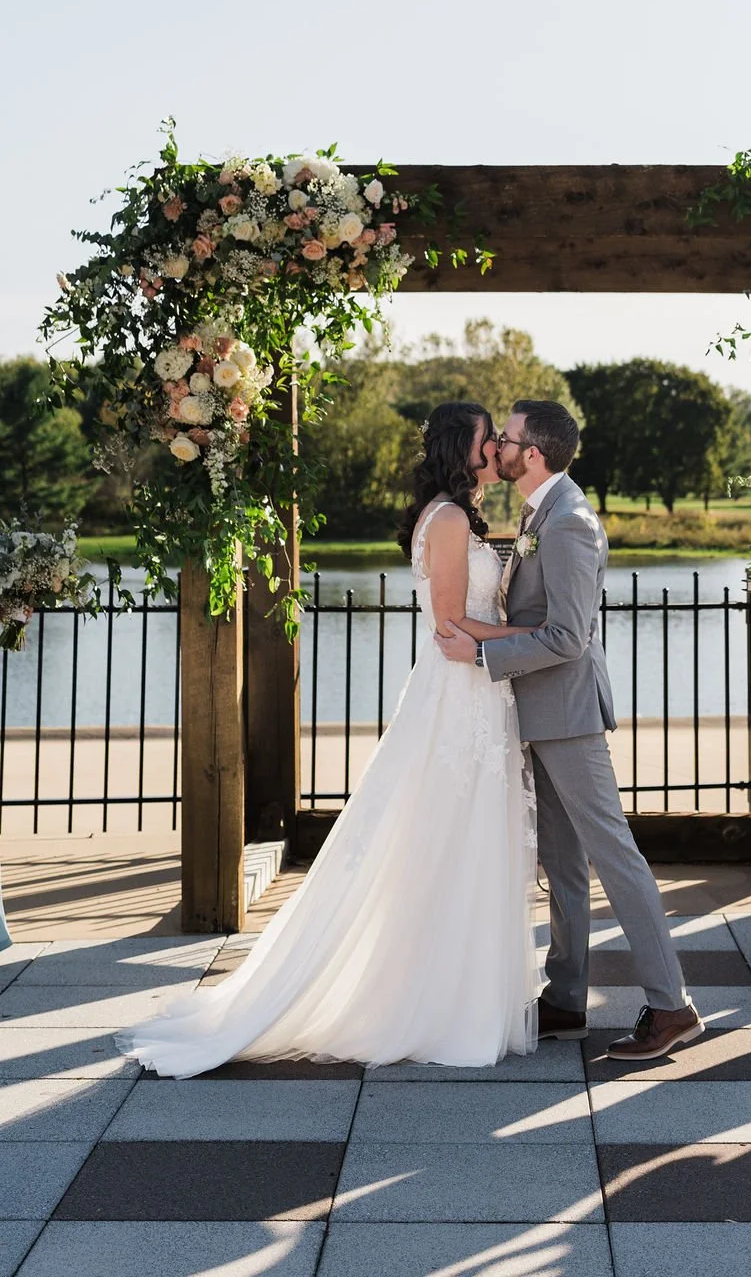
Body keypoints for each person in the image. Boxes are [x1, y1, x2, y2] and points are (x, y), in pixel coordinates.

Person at [117, 402, 539, 1077]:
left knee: (451, 842)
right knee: (452, 839)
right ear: (466, 450)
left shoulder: (446, 513)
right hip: (460, 699)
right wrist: (534, 640)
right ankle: (439, 1006)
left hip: (464, 695)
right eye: (490, 441)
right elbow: (455, 623)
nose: (498, 451)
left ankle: (455, 992)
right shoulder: (453, 518)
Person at [436, 399, 703, 1061]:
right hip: (538, 713)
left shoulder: (569, 523)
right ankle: (565, 998)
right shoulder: (537, 512)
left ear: (532, 453)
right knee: (560, 863)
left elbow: (569, 637)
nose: (496, 444)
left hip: (569, 713)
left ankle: (673, 1006)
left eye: (508, 436)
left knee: (613, 854)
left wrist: (480, 654)